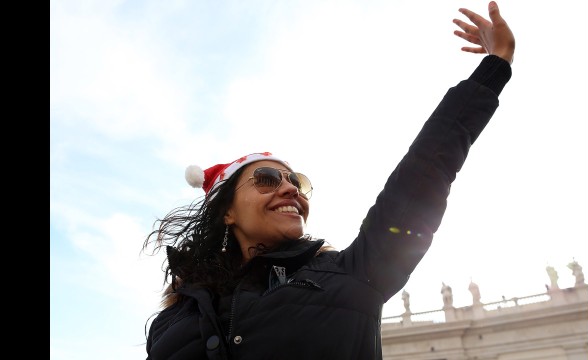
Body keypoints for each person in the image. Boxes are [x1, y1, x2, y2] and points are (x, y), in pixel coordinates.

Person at [142, 2, 515, 359]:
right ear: (227, 212)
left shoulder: (354, 273)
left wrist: (495, 67)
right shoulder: (172, 319)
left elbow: (423, 174)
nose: (289, 189)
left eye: (296, 182)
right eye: (267, 179)